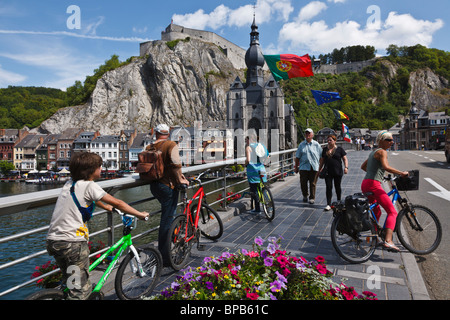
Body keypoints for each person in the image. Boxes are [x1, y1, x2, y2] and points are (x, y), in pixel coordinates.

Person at [46, 152, 149, 300]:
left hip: (54, 240)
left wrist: (106, 207)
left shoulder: (70, 183)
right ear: (91, 170)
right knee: (80, 292)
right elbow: (119, 203)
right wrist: (140, 214)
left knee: (72, 281)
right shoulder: (90, 186)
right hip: (73, 244)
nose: (101, 169)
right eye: (99, 167)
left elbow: (90, 198)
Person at [361, 130, 409, 252]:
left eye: (392, 140)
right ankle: (388, 241)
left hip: (366, 183)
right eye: (389, 140)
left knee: (376, 210)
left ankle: (375, 237)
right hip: (373, 185)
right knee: (392, 212)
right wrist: (401, 173)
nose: (391, 142)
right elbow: (386, 167)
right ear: (381, 141)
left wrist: (375, 174)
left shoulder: (373, 152)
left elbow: (363, 167)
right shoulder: (382, 152)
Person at [148, 124, 189, 266]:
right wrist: (181, 179)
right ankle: (163, 256)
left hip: (154, 185)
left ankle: (164, 249)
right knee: (167, 220)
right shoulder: (170, 145)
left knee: (167, 217)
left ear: (156, 133)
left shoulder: (150, 147)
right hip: (167, 185)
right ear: (168, 133)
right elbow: (176, 164)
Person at [319, 134, 348, 211]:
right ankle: (328, 203)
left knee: (337, 186)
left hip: (337, 171)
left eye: (330, 140)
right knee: (328, 187)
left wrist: (346, 167)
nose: (329, 141)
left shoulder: (340, 149)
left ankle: (338, 201)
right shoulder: (325, 149)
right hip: (328, 171)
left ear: (335, 141)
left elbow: (345, 159)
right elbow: (322, 160)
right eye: (328, 140)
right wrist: (319, 169)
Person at [294, 128, 322, 204]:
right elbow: (297, 157)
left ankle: (312, 197)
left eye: (309, 133)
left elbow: (321, 156)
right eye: (306, 133)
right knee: (303, 183)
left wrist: (320, 167)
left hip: (314, 166)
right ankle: (305, 195)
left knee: (313, 183)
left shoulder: (316, 145)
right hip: (303, 167)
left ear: (312, 135)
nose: (307, 135)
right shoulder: (301, 145)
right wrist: (296, 167)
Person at [245, 134, 269, 214]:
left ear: (251, 139)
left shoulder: (248, 148)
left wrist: (245, 164)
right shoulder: (261, 146)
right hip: (262, 169)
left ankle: (257, 209)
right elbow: (267, 157)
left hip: (253, 171)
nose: (246, 142)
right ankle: (269, 206)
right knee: (263, 187)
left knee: (254, 189)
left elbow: (248, 160)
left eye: (246, 140)